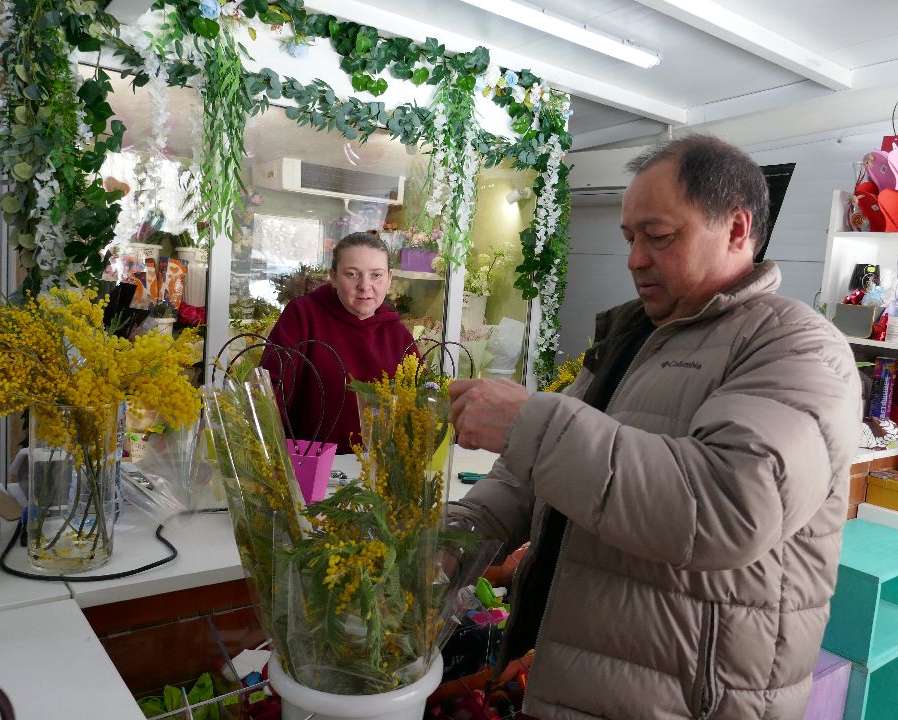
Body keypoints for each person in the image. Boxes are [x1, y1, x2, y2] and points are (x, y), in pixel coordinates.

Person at [447, 135, 862, 719]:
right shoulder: (636, 335)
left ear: (738, 230)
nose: (635, 258)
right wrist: (453, 540)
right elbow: (537, 474)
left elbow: (729, 504)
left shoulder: (796, 345)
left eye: (659, 236)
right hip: (580, 681)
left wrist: (528, 421)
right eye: (630, 238)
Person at [262, 231, 415, 453]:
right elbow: (270, 394)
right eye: (352, 274)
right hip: (310, 464)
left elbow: (416, 407)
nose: (365, 285)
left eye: (376, 275)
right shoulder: (303, 316)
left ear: (390, 279)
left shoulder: (398, 335)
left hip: (379, 469)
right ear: (333, 276)